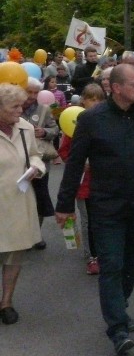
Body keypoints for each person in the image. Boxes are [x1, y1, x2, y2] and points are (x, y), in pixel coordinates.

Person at [55, 64, 134, 356]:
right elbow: (75, 162)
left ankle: (121, 306)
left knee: (131, 264)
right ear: (116, 88)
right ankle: (117, 328)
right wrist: (65, 205)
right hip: (106, 206)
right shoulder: (92, 119)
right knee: (111, 265)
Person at [0, 83, 46, 325]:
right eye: (14, 106)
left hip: (18, 200)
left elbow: (36, 154)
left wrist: (36, 168)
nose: (21, 109)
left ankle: (6, 302)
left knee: (14, 256)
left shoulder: (26, 127)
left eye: (21, 104)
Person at [57, 83, 106, 275]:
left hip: (103, 181)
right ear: (83, 101)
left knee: (101, 218)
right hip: (82, 182)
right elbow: (65, 152)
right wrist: (80, 163)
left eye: (98, 99)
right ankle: (91, 256)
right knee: (88, 220)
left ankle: (102, 251)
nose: (94, 103)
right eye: (91, 99)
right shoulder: (76, 123)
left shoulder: (107, 122)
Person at [21, 78, 59, 249]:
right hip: (19, 162)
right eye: (29, 91)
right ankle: (21, 235)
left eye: (36, 92)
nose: (32, 96)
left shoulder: (44, 109)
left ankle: (36, 235)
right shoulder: (13, 108)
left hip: (40, 162)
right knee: (21, 199)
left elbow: (55, 129)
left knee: (40, 198)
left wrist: (44, 132)